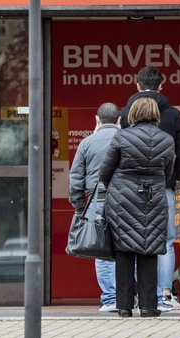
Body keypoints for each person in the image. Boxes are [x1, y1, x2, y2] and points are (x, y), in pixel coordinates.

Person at [119, 66, 180, 311]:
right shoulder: (173, 115)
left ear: (137, 85)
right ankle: (165, 294)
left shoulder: (124, 114)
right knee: (166, 241)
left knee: (131, 241)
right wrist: (172, 178)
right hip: (163, 188)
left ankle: (138, 296)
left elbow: (116, 150)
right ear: (162, 86)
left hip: (129, 190)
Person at [100, 97, 175, 318]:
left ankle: (124, 307)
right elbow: (168, 173)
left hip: (121, 199)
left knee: (123, 251)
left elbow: (105, 171)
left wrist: (117, 187)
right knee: (149, 249)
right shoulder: (167, 139)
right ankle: (149, 306)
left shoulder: (122, 136)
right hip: (153, 199)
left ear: (132, 114)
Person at [68, 102, 121, 313]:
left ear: (96, 120)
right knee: (128, 247)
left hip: (96, 201)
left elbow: (75, 178)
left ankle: (110, 299)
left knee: (102, 249)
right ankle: (128, 295)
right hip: (124, 201)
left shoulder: (87, 143)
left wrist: (79, 206)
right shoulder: (126, 139)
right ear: (119, 120)